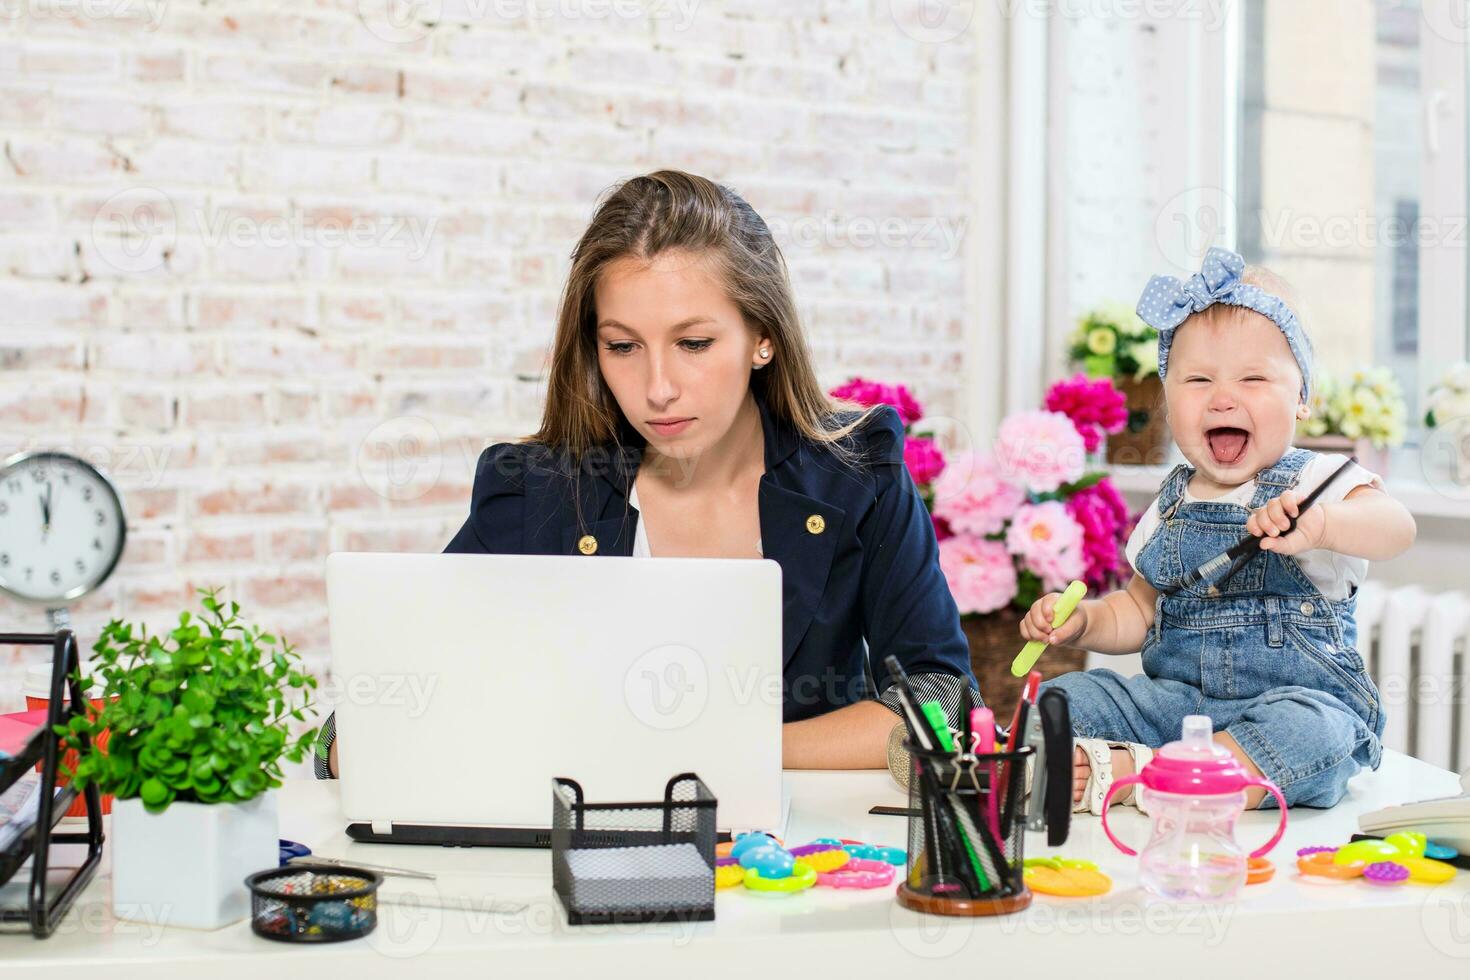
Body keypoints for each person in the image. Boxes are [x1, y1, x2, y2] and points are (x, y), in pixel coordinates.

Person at [317, 170, 978, 778]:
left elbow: (941, 700)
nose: (657, 388)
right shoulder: (535, 490)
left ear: (762, 338)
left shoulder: (856, 474)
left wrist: (715, 749)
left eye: (693, 343)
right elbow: (364, 725)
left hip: (798, 862)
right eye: (622, 346)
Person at [1022, 247, 1416, 811]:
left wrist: (1323, 525)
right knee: (1065, 696)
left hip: (1292, 703)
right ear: (1166, 397)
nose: (1223, 397)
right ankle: (1154, 771)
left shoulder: (1319, 480)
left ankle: (1145, 773)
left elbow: (1396, 528)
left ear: (1301, 396)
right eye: (1198, 379)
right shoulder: (1171, 503)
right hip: (1176, 708)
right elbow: (1137, 612)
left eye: (1254, 377)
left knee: (1319, 734)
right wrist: (1082, 622)